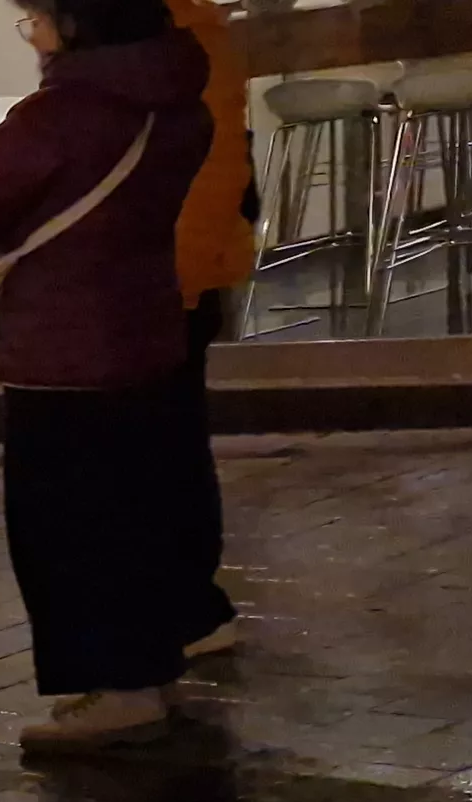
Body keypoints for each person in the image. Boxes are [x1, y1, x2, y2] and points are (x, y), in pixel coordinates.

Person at [0, 0, 216, 747]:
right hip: (145, 332)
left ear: (75, 24)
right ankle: (150, 668)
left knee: (70, 531)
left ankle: (117, 691)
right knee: (139, 517)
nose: (32, 35)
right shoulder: (178, 103)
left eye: (35, 20)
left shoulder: (59, 113)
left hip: (63, 351)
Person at [167, 0, 256, 660]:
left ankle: (191, 608)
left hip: (164, 271)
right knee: (174, 440)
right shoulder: (195, 35)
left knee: (161, 445)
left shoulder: (168, 41)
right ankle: (193, 606)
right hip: (184, 265)